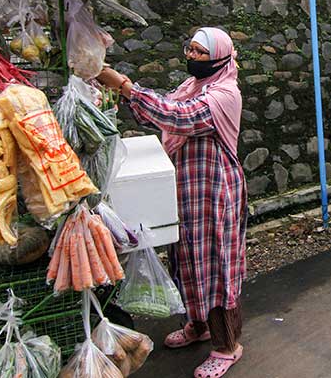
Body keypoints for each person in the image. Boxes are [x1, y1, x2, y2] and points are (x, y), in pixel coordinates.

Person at [96, 28, 246, 378]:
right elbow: (163, 111)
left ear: (220, 56)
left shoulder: (224, 93)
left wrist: (125, 85)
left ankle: (227, 346)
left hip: (214, 190)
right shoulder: (192, 86)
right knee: (186, 258)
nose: (191, 56)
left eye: (199, 52)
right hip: (185, 189)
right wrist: (121, 93)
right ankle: (198, 324)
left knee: (214, 264)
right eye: (189, 49)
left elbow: (179, 117)